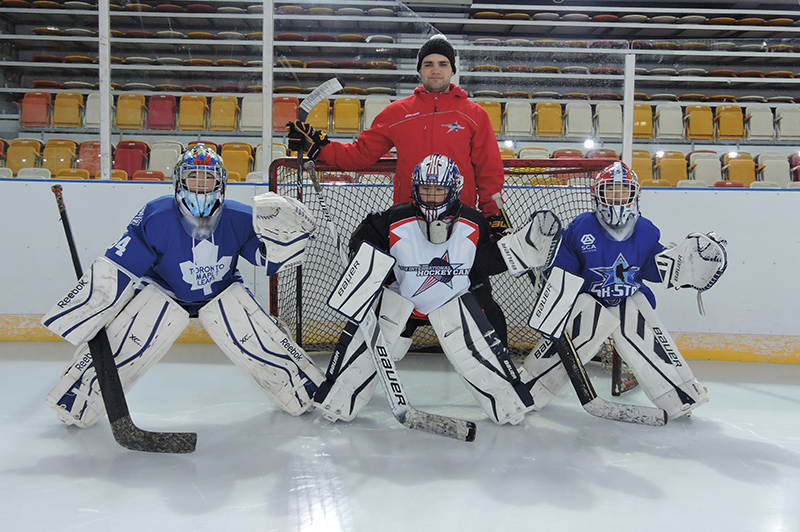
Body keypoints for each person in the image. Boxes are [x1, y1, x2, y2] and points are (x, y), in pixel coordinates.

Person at [41, 144, 325, 428]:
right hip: (164, 291)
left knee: (261, 343)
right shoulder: (157, 215)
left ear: (221, 182)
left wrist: (287, 241)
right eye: (193, 177)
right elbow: (120, 266)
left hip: (222, 292)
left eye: (208, 178)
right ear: (179, 180)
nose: (200, 186)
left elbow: (265, 260)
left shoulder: (240, 217)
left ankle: (305, 393)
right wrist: (91, 306)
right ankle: (74, 400)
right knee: (124, 345)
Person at [288, 33, 511, 341]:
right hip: (409, 225)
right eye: (428, 64)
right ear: (419, 71)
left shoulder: (474, 115)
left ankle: (493, 362)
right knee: (399, 304)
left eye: (442, 64)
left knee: (479, 304)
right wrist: (319, 146)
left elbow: (489, 171)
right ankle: (381, 355)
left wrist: (494, 215)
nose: (435, 69)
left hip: (459, 226)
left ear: (452, 70)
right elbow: (360, 155)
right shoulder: (397, 112)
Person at [313, 154, 534, 425]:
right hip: (402, 306)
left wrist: (521, 249)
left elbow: (486, 263)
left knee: (482, 355)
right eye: (425, 189)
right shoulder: (393, 218)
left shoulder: (474, 221)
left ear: (454, 188)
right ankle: (338, 400)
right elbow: (365, 246)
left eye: (439, 190)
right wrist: (360, 257)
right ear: (415, 188)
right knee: (365, 353)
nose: (431, 197)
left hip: (453, 307)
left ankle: (508, 404)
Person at [519, 161, 727, 420]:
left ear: (634, 195)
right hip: (588, 301)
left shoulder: (646, 231)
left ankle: (678, 395)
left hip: (628, 300)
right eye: (610, 190)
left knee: (636, 314)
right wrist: (547, 258)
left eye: (623, 190)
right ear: (597, 194)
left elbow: (655, 268)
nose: (617, 197)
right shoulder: (582, 227)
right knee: (583, 325)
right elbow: (565, 270)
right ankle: (529, 390)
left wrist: (685, 267)